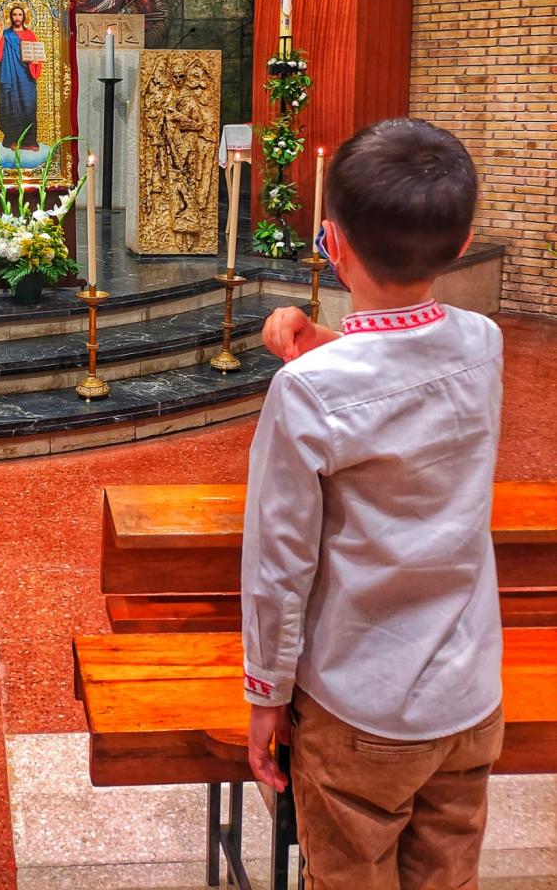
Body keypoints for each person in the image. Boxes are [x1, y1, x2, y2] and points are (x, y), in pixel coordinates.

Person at [244, 119, 503, 889]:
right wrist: (324, 338)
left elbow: (278, 565)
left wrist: (265, 695)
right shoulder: (485, 343)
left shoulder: (307, 395)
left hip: (362, 709)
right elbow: (406, 363)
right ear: (461, 245)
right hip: (468, 699)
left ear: (331, 243)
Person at [0, 4, 42, 151]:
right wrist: (0, 31)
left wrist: (36, 61)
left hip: (27, 78)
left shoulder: (30, 35)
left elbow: (36, 55)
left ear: (24, 17)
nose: (17, 17)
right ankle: (12, 140)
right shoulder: (6, 35)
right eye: (14, 15)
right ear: (10, 17)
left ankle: (30, 141)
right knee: (11, 106)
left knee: (29, 106)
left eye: (20, 14)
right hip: (10, 78)